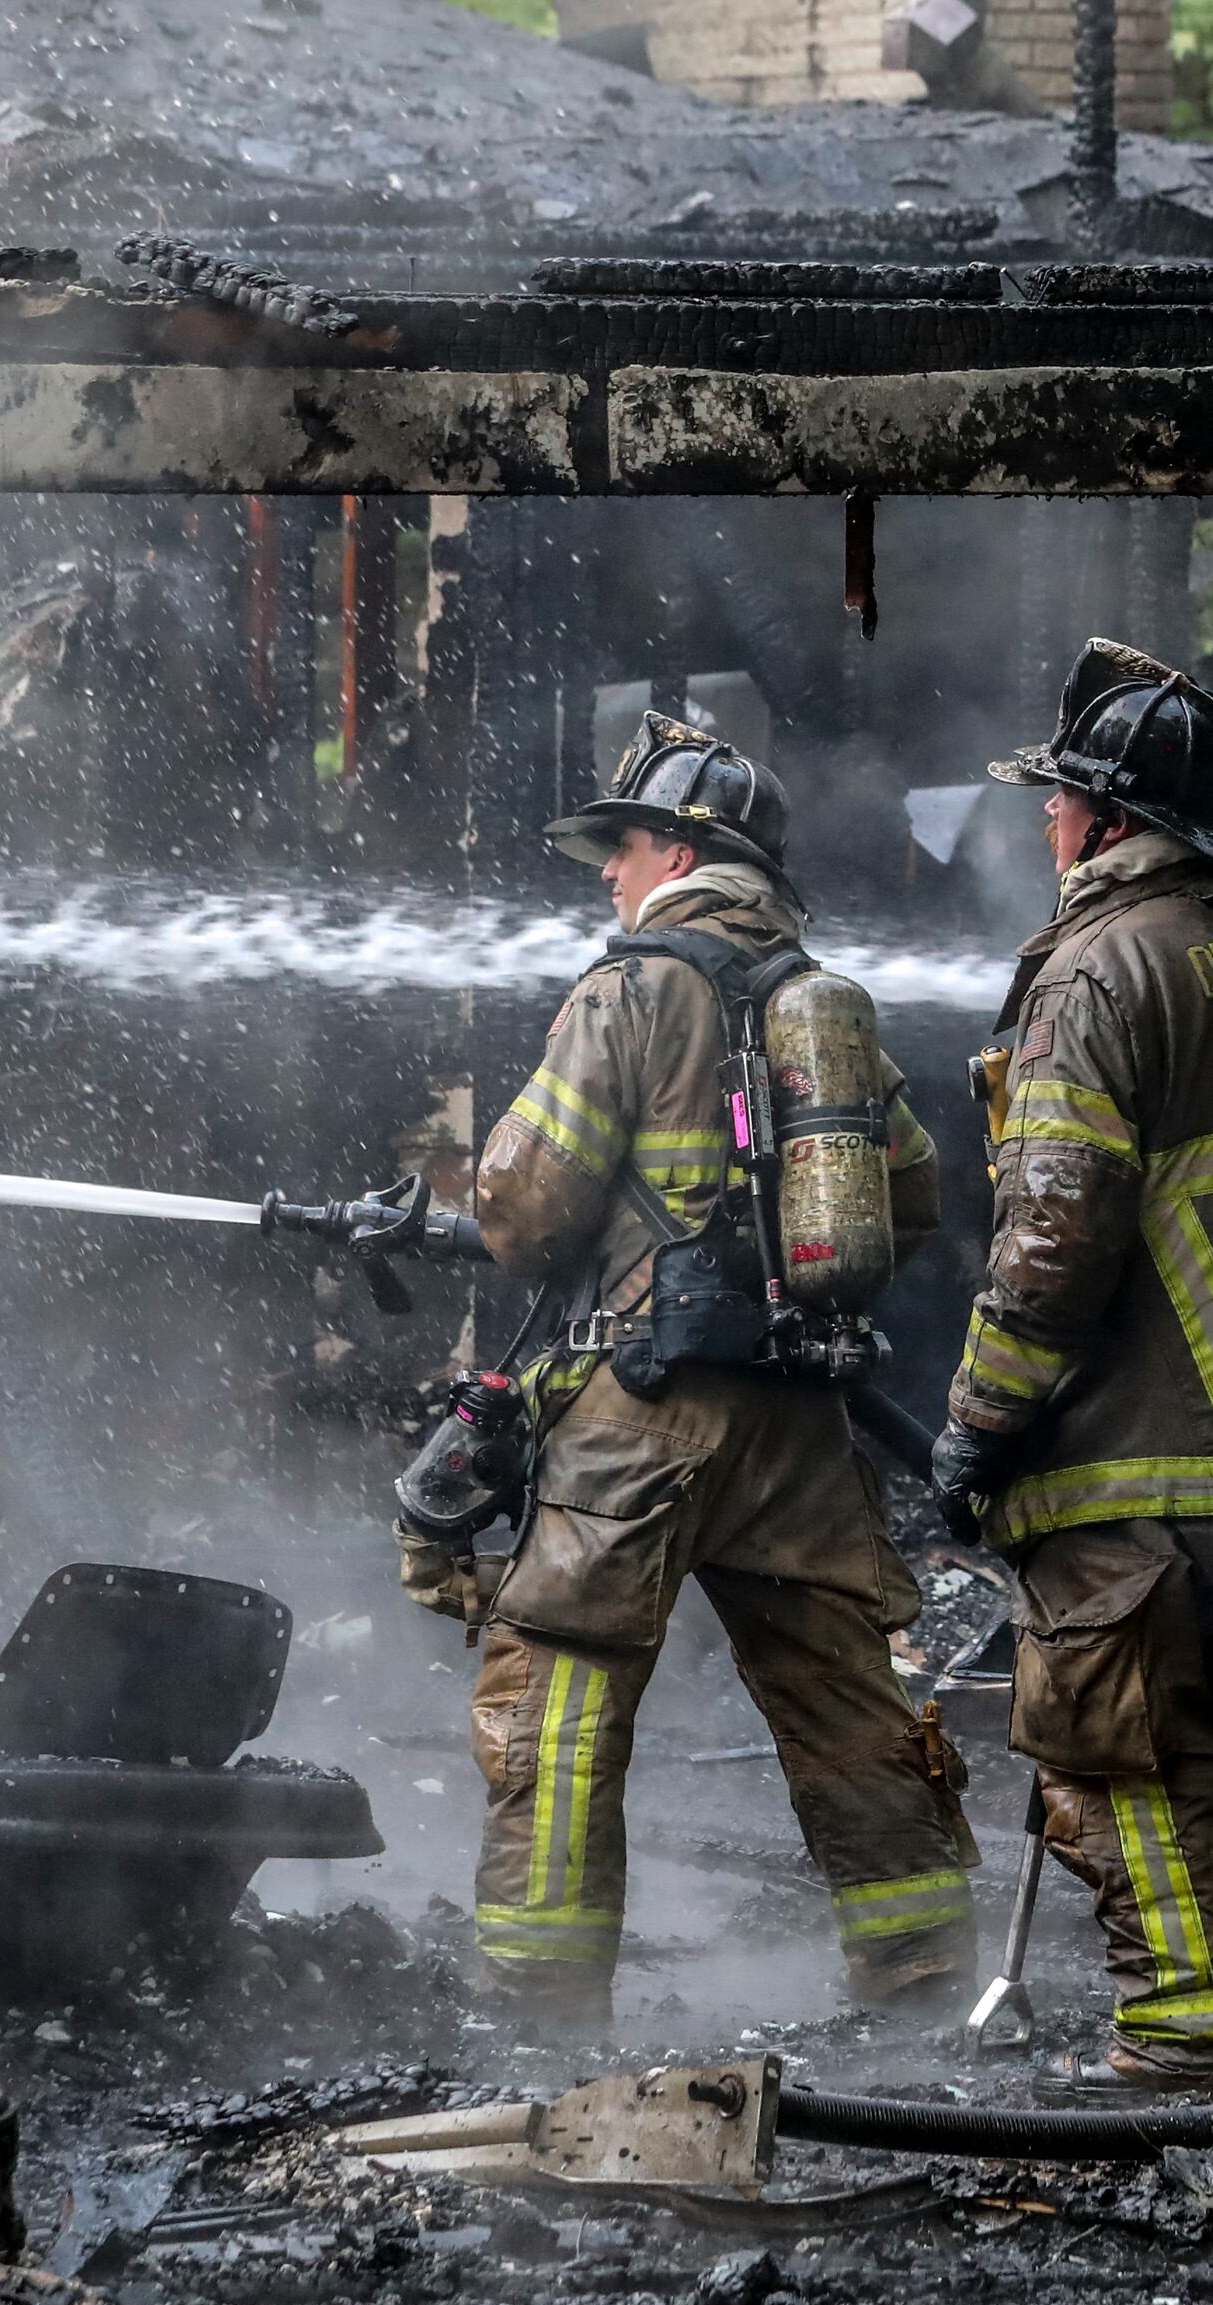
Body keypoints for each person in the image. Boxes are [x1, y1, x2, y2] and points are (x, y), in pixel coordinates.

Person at [430, 712, 975, 2035]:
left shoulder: (627, 990)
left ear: (678, 848)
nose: (608, 873)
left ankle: (543, 2013)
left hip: (642, 1413)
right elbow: (910, 1194)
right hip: (800, 1419)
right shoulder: (813, 1000)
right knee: (847, 1694)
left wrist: (454, 1194)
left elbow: (520, 1211)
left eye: (619, 847)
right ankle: (922, 1983)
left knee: (552, 1693)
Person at [931, 642, 1213, 2096]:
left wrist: (977, 1427)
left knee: (1127, 1757)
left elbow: (1052, 1240)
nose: (1046, 824)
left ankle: (1202, 2049)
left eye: (1060, 800)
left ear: (1104, 818)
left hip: (1132, 1457)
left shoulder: (1092, 973)